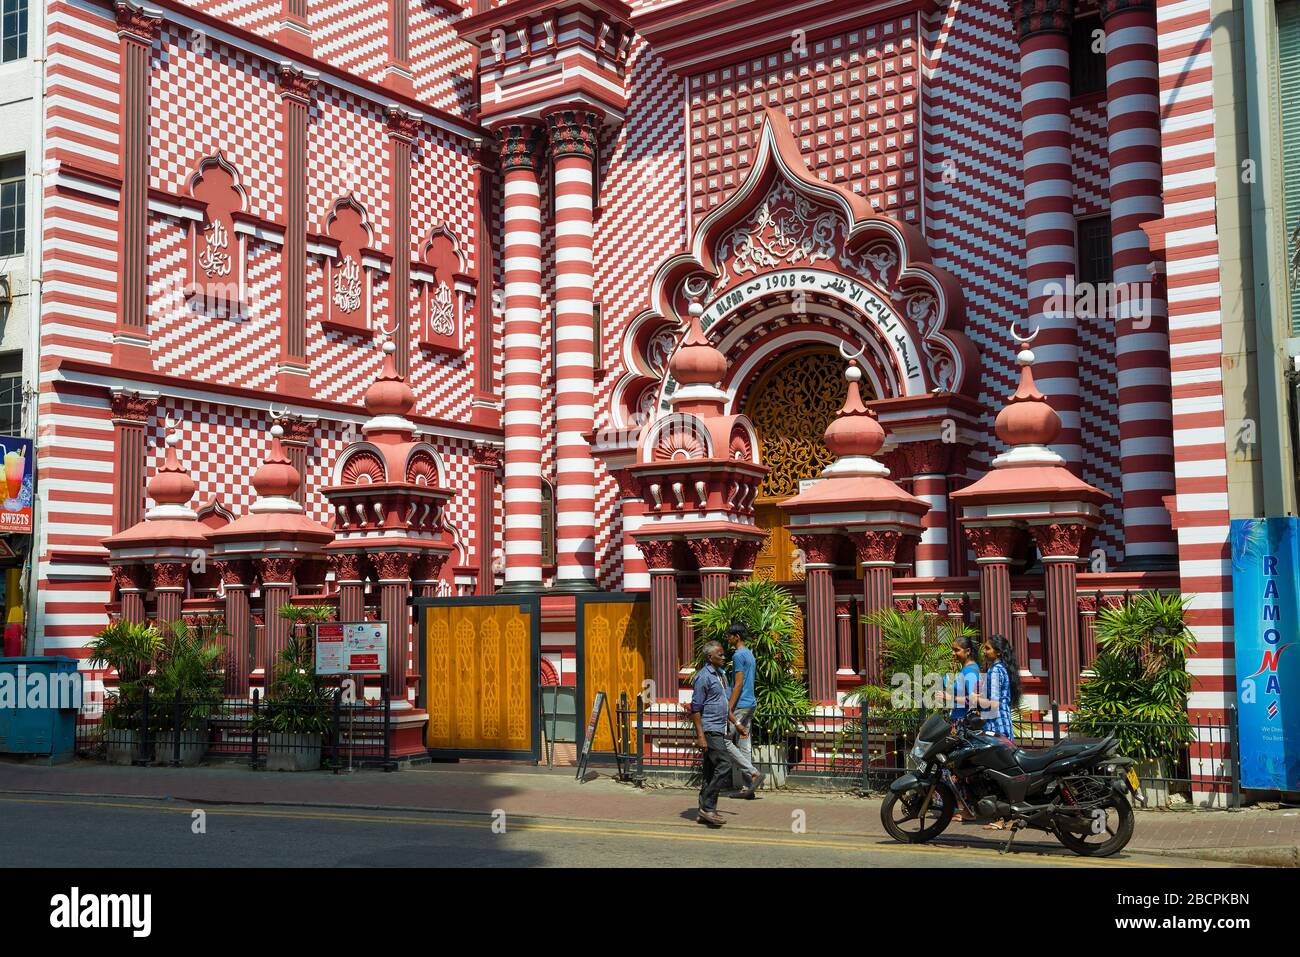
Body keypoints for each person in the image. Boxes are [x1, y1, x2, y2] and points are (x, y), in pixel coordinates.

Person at [974, 633, 1022, 829]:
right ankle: (1008, 816)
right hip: (1003, 725)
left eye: (987, 648)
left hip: (995, 728)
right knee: (1006, 775)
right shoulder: (1003, 669)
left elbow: (992, 704)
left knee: (998, 776)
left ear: (998, 652)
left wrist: (975, 698)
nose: (984, 652)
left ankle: (1004, 818)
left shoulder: (995, 671)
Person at [691, 640, 735, 827]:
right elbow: (696, 708)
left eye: (724, 654)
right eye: (720, 655)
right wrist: (700, 735)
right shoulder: (703, 677)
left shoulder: (721, 675)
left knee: (710, 771)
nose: (724, 657)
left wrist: (736, 723)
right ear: (710, 657)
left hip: (720, 726)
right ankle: (708, 806)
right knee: (724, 764)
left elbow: (724, 703)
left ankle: (704, 811)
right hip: (709, 728)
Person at [724, 624, 764, 797]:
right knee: (744, 744)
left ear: (737, 636)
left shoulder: (738, 655)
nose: (728, 638)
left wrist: (729, 706)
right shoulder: (749, 653)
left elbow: (738, 683)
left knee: (724, 740)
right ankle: (749, 788)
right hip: (751, 703)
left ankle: (753, 772)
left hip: (740, 705)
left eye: (729, 636)